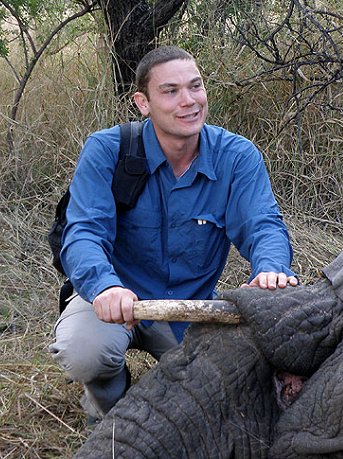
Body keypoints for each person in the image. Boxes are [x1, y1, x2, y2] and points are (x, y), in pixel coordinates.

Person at [48, 45, 298, 425]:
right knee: (85, 351)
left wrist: (270, 270)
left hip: (190, 309)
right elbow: (83, 233)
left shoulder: (237, 155)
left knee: (228, 392)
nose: (189, 101)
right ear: (142, 103)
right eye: (170, 91)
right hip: (115, 299)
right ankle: (109, 414)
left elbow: (263, 225)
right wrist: (104, 288)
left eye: (195, 87)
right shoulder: (107, 149)